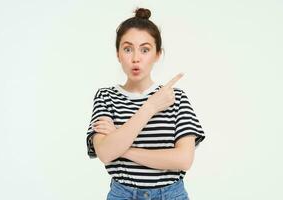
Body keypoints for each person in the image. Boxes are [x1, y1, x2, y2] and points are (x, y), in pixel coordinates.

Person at [85, 7, 205, 200]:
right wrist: (150, 107)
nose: (135, 58)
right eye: (127, 49)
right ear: (118, 54)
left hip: (171, 195)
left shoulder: (175, 97)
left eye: (145, 49)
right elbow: (106, 153)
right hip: (122, 195)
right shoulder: (105, 97)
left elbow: (184, 160)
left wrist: (121, 146)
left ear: (157, 54)